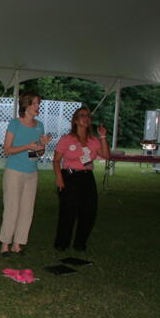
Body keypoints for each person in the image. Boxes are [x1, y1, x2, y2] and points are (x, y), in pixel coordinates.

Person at [0, 93, 51, 257]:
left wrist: (41, 146)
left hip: (32, 172)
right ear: (26, 105)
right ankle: (5, 244)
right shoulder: (15, 124)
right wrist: (26, 146)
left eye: (38, 103)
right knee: (12, 208)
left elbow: (40, 153)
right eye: (34, 103)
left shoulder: (39, 126)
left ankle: (17, 244)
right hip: (14, 171)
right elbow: (7, 150)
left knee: (27, 210)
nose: (37, 106)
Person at [52, 106, 111, 252]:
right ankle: (62, 243)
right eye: (83, 115)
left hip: (86, 177)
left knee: (89, 211)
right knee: (68, 212)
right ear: (76, 120)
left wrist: (103, 136)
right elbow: (56, 160)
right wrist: (59, 178)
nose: (87, 118)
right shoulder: (67, 139)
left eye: (88, 116)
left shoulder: (93, 140)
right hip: (70, 176)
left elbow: (106, 156)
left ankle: (80, 244)